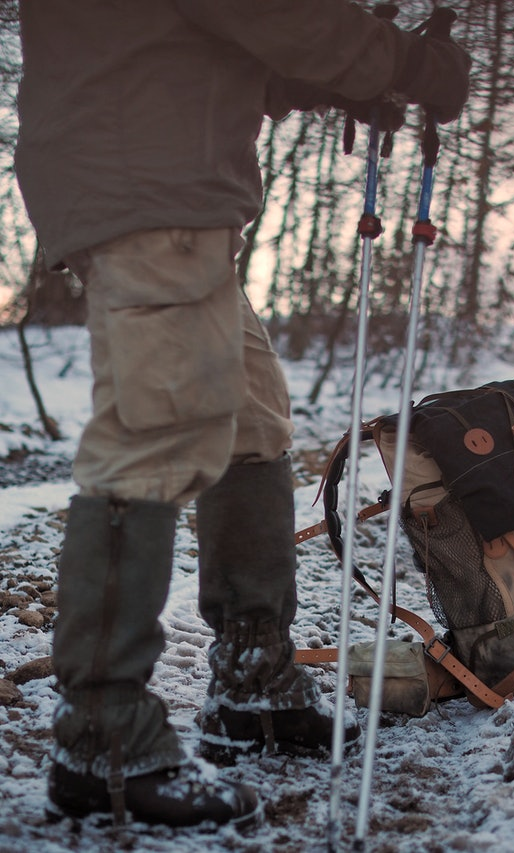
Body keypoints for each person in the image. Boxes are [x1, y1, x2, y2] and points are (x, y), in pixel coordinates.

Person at [15, 0, 471, 830]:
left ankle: (251, 678)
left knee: (250, 418)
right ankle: (103, 735)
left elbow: (204, 39)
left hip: (158, 174)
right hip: (145, 182)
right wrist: (397, 62)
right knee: (154, 439)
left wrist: (328, 79)